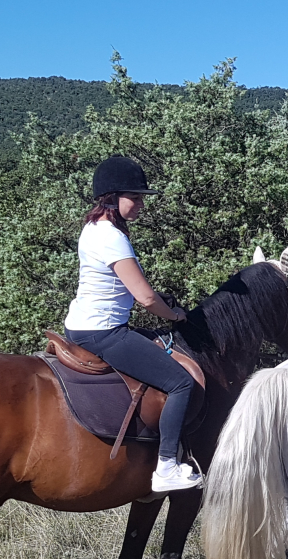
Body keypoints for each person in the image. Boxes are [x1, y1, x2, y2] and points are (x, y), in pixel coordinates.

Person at [65, 155, 203, 492]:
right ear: (112, 197)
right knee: (181, 383)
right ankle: (167, 467)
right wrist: (175, 315)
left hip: (80, 325)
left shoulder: (94, 228)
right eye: (135, 197)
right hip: (104, 332)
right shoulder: (111, 237)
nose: (141, 205)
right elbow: (144, 297)